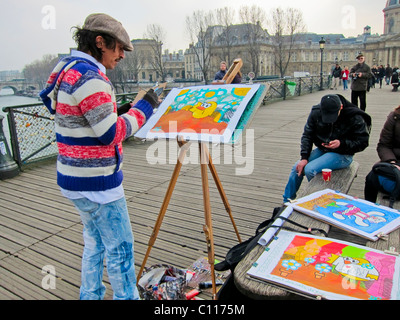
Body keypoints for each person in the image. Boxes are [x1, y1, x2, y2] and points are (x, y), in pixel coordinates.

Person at [41, 13, 160, 300]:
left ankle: (90, 295)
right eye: (118, 47)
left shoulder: (70, 70)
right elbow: (110, 134)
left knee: (94, 243)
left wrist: (118, 109)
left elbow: (84, 119)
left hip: (73, 180)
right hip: (98, 185)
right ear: (99, 42)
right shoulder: (90, 77)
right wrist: (143, 110)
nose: (121, 55)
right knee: (120, 248)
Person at [282, 94, 371, 203]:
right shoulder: (316, 112)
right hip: (323, 150)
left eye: (333, 115)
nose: (330, 119)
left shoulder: (355, 117)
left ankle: (316, 200)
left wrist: (341, 143)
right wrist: (304, 157)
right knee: (297, 167)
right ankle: (287, 201)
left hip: (343, 153)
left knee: (310, 169)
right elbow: (307, 135)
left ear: (341, 107)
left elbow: (363, 142)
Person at [364, 106, 400, 203]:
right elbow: (383, 145)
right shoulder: (395, 117)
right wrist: (392, 162)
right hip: (394, 161)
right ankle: (369, 206)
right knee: (372, 176)